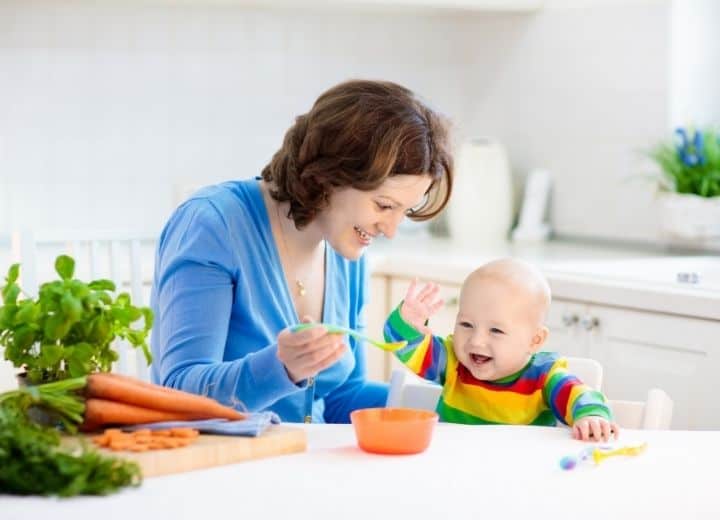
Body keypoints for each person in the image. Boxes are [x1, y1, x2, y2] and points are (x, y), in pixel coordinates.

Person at [149, 80, 454, 423]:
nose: (391, 230)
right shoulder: (213, 225)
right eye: (384, 205)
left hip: (307, 463)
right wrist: (281, 367)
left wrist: (457, 406)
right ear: (330, 175)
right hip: (224, 464)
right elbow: (177, 393)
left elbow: (341, 398)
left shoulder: (345, 247)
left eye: (404, 211)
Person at [383, 258, 619, 442]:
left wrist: (591, 416)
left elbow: (580, 395)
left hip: (516, 481)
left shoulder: (544, 377)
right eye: (466, 325)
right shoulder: (453, 362)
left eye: (496, 331)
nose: (476, 341)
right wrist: (408, 322)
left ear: (535, 340)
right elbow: (404, 345)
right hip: (451, 473)